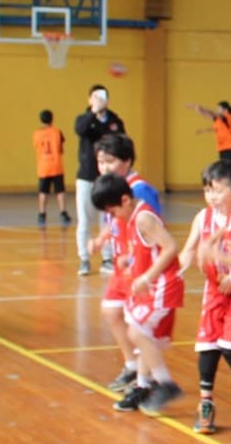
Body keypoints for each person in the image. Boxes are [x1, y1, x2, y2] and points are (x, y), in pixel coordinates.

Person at [96, 172, 185, 417]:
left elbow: (170, 247)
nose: (113, 218)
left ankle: (166, 384)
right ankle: (144, 386)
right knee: (143, 337)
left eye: (112, 212)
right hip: (150, 286)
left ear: (125, 200)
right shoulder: (132, 218)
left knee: (136, 331)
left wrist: (147, 276)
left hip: (162, 285)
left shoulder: (144, 217)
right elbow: (146, 249)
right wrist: (129, 261)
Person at [183, 157, 231, 436]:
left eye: (215, 190)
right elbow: (190, 250)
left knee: (230, 347)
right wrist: (171, 271)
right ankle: (206, 403)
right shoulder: (204, 217)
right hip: (215, 290)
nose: (211, 196)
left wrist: (229, 270)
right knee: (206, 344)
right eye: (207, 190)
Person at [94, 133, 161, 406]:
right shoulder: (110, 187)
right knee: (111, 311)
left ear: (127, 161)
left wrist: (136, 259)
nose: (104, 167)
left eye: (110, 161)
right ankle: (133, 365)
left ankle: (148, 375)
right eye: (100, 162)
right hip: (122, 263)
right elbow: (112, 219)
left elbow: (150, 225)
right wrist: (101, 239)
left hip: (138, 265)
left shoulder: (140, 189)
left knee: (139, 323)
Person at [74, 86, 126, 276]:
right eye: (95, 97)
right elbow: (81, 130)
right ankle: (84, 259)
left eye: (103, 96)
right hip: (87, 177)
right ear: (90, 100)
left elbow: (121, 142)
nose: (99, 99)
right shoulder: (84, 119)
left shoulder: (115, 120)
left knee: (107, 219)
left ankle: (107, 258)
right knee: (84, 220)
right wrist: (94, 113)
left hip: (107, 178)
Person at [33, 110, 70, 228]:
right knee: (60, 190)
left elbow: (36, 146)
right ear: (52, 119)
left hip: (43, 166)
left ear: (41, 120)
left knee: (43, 191)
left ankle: (42, 213)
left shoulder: (36, 134)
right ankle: (63, 212)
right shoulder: (57, 132)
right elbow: (61, 148)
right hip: (56, 165)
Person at [188, 98, 231, 165]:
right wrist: (198, 109)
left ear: (225, 110)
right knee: (227, 169)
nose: (217, 110)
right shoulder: (219, 120)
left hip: (230, 148)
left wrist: (199, 106)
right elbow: (212, 121)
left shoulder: (228, 117)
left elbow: (211, 113)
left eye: (218, 109)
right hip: (223, 148)